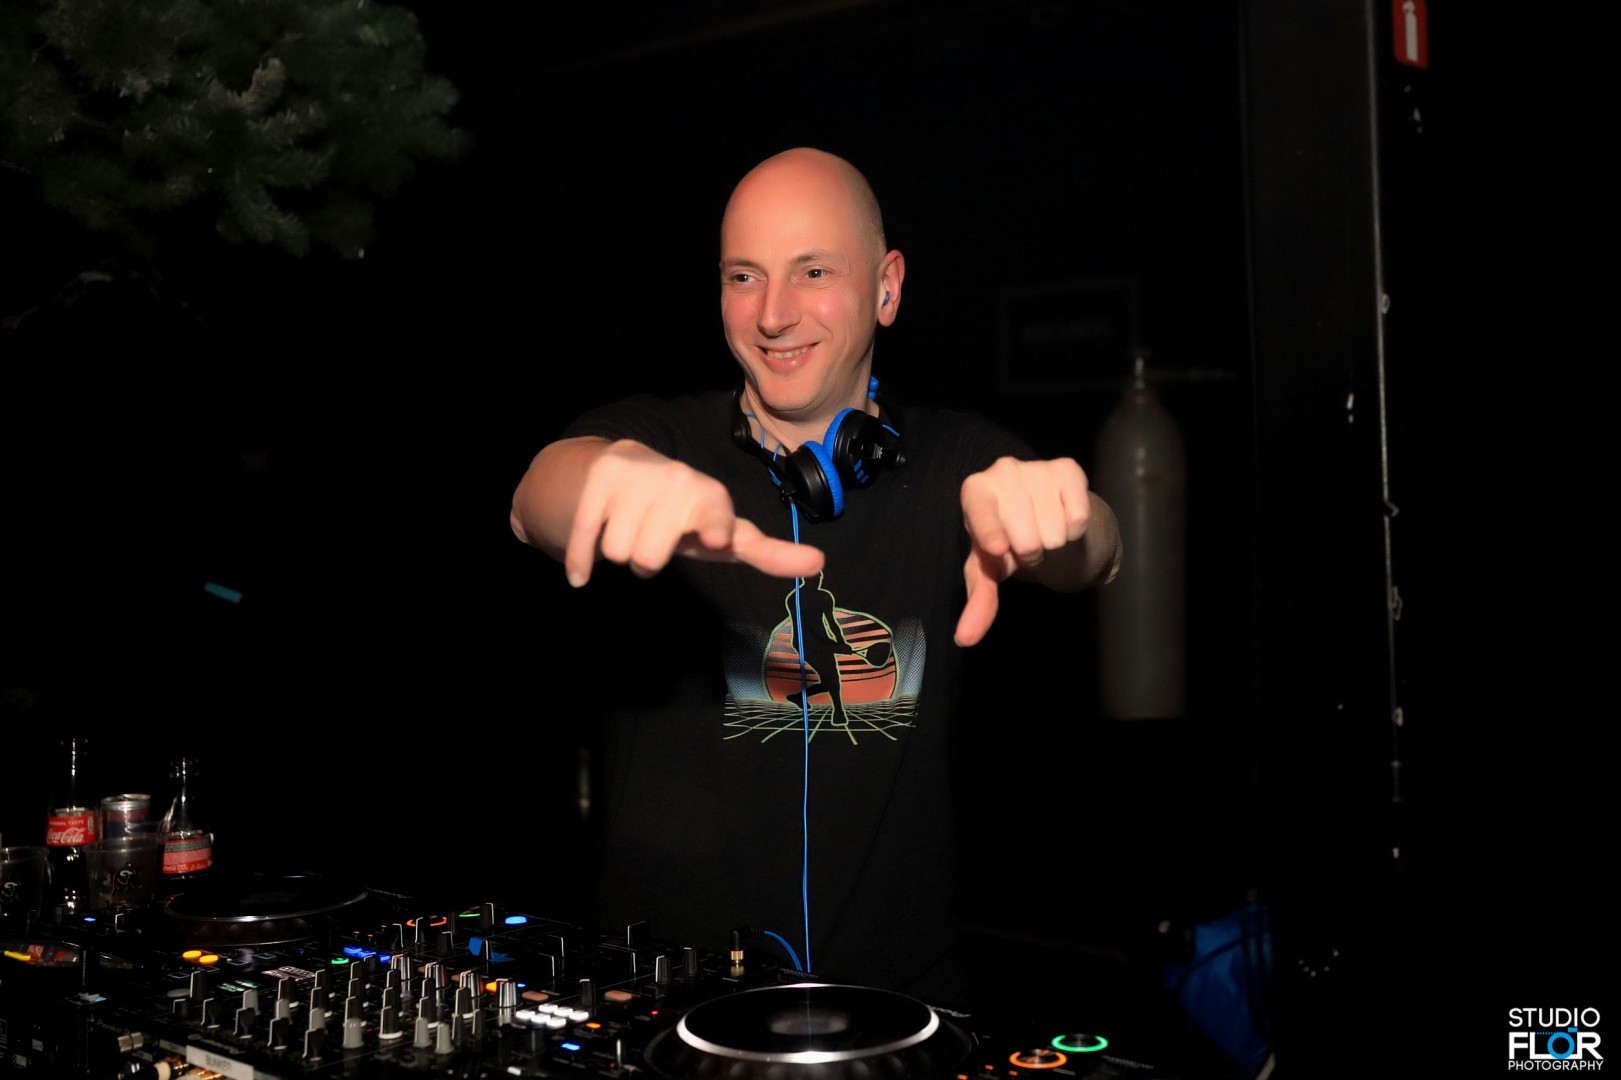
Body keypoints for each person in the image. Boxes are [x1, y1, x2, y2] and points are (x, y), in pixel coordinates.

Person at [510, 148, 1119, 1007]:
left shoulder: (956, 460)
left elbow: (1095, 552)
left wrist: (1060, 517)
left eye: (813, 272)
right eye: (744, 276)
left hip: (901, 1005)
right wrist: (599, 480)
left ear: (886, 287)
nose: (772, 314)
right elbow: (537, 499)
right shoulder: (661, 442)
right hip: (660, 1003)